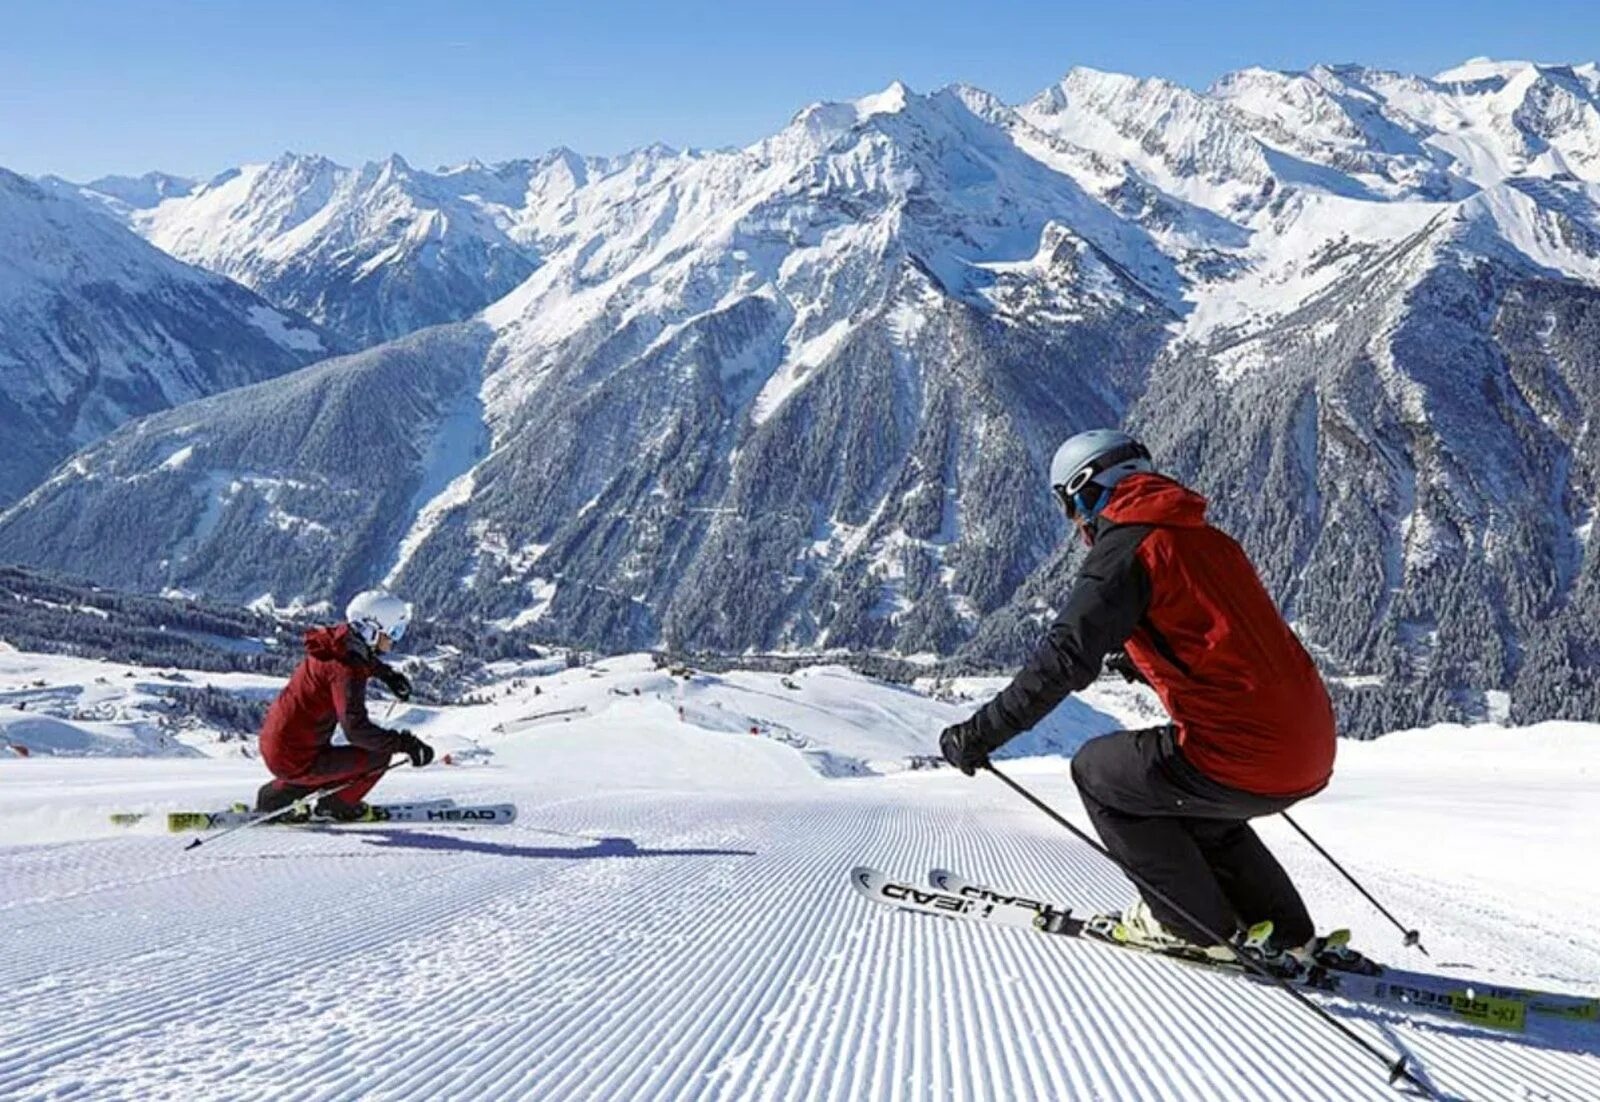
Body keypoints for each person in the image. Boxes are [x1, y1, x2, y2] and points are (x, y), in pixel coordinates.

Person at [939, 429, 1336, 962]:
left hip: (1246, 756)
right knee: (1190, 805)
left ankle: (1188, 926)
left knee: (1099, 773)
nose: (1075, 523)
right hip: (1309, 746)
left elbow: (1063, 660)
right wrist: (1148, 661)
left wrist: (979, 734)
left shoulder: (1127, 548)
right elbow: (1228, 645)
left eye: (1067, 507)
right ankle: (1289, 934)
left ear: (1082, 491)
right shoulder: (1206, 539)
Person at [255, 588, 436, 821]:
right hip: (295, 759)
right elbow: (356, 730)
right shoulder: (345, 671)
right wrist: (405, 744)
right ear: (371, 630)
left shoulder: (336, 641)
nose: (395, 639)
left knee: (337, 758)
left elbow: (359, 656)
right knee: (378, 755)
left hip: (280, 747)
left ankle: (276, 797)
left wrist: (388, 675)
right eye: (393, 631)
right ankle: (336, 806)